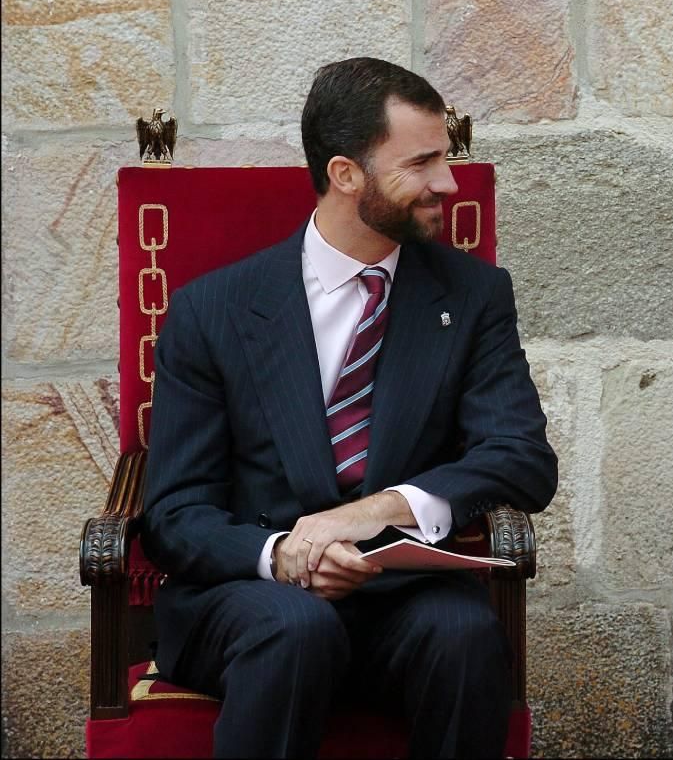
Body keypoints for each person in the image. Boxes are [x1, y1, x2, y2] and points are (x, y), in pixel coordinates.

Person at [141, 56, 558, 758]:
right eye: (422, 162)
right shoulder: (212, 310)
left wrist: (377, 511)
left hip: (401, 597)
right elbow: (175, 514)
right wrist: (287, 557)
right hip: (253, 598)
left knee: (465, 634)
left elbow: (522, 458)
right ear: (345, 174)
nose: (448, 183)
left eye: (446, 159)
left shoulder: (473, 294)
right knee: (294, 628)